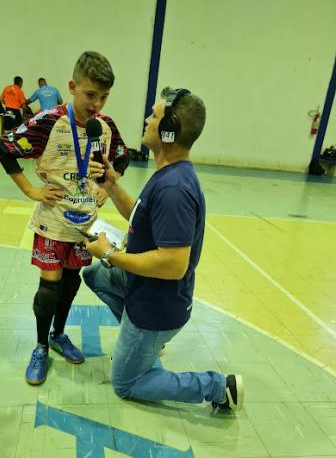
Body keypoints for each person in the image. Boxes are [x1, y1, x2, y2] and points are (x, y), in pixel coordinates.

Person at [83, 87, 244, 412]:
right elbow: (141, 219)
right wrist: (113, 186)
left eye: (154, 116)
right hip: (143, 289)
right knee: (95, 276)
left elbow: (173, 264)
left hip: (157, 306)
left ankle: (218, 387)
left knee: (125, 383)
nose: (147, 119)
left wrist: (110, 254)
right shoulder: (168, 175)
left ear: (168, 130)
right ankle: (141, 347)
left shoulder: (174, 188)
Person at [0, 51, 129, 386]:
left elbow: (123, 157)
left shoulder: (106, 128)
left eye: (104, 96)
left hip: (84, 224)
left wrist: (106, 188)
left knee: (70, 285)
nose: (97, 104)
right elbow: (3, 147)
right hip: (53, 221)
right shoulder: (50, 121)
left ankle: (58, 334)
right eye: (90, 95)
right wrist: (30, 190)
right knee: (49, 288)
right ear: (72, 87)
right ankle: (40, 346)